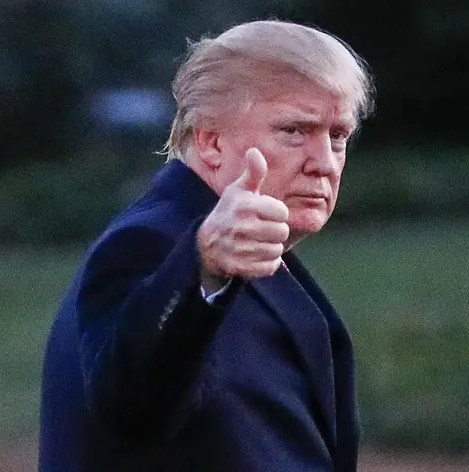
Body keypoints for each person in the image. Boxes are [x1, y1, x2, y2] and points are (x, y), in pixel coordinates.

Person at [39, 20, 374, 472]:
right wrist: (203, 268)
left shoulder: (249, 246)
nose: (324, 163)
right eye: (295, 131)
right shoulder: (153, 242)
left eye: (337, 136)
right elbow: (130, 406)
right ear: (212, 141)